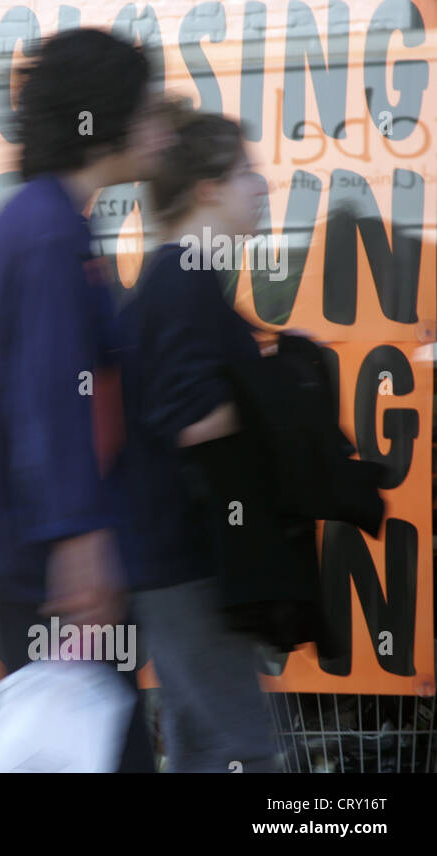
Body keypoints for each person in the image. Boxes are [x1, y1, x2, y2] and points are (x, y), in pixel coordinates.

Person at [0, 27, 171, 771]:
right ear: (106, 116)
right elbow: (50, 398)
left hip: (38, 558)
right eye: (147, 106)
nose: (160, 123)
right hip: (53, 565)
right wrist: (79, 541)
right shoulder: (52, 230)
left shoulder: (37, 218)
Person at [116, 102, 284, 772]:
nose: (262, 187)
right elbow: (192, 417)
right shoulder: (182, 281)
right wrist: (278, 400)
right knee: (244, 751)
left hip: (181, 561)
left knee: (202, 747)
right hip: (188, 565)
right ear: (208, 189)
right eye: (248, 173)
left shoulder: (181, 279)